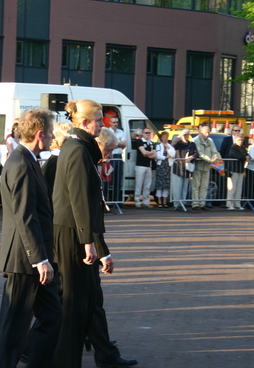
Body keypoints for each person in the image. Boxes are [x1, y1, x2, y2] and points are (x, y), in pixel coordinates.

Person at [0, 108, 61, 368]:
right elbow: (25, 216)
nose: (54, 136)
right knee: (14, 325)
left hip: (35, 256)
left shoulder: (27, 159)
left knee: (53, 316)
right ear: (39, 133)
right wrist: (40, 259)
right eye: (51, 132)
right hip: (25, 259)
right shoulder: (21, 163)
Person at [52, 99, 106, 367]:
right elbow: (79, 199)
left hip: (73, 230)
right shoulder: (76, 148)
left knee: (82, 299)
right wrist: (88, 241)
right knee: (73, 301)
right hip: (71, 233)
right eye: (98, 119)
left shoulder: (77, 146)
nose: (102, 124)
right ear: (84, 122)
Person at [88, 127, 138, 368]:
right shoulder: (82, 164)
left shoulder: (90, 162)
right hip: (80, 247)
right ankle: (29, 348)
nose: (108, 156)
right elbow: (86, 215)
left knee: (91, 302)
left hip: (85, 245)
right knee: (70, 301)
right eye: (107, 150)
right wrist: (101, 250)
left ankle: (104, 350)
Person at [191, 125, 221, 211]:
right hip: (198, 166)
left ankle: (202, 203)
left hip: (207, 167)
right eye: (206, 132)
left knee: (204, 186)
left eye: (209, 132)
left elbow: (215, 151)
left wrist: (215, 158)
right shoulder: (196, 140)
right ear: (201, 133)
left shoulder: (210, 141)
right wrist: (210, 160)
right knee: (196, 186)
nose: (208, 134)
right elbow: (200, 154)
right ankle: (195, 204)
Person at [170, 129, 197, 211]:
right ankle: (177, 204)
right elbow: (172, 145)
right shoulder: (178, 144)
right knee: (177, 187)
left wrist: (191, 157)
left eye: (187, 134)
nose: (186, 136)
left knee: (185, 187)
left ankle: (182, 203)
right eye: (185, 134)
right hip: (178, 167)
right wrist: (179, 136)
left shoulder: (191, 144)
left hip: (187, 168)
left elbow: (196, 153)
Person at [134, 128, 156, 208]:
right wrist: (150, 153)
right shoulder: (139, 141)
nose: (147, 134)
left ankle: (146, 202)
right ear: (142, 133)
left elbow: (155, 155)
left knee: (147, 185)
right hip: (140, 166)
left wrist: (148, 153)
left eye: (149, 133)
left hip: (148, 166)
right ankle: (137, 201)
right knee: (139, 185)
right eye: (146, 133)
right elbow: (143, 153)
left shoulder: (151, 143)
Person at [226, 134, 248, 210]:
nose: (240, 141)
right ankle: (230, 204)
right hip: (233, 169)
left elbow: (247, 155)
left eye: (241, 140)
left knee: (239, 188)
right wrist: (245, 157)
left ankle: (237, 203)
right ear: (235, 140)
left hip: (240, 169)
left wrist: (247, 157)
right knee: (232, 188)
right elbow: (236, 155)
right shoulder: (233, 147)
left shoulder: (244, 147)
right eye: (238, 140)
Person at [107, 116, 126, 202]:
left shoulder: (121, 132)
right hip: (110, 158)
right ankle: (106, 201)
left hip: (118, 157)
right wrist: (119, 143)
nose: (115, 124)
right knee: (107, 180)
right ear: (110, 123)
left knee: (118, 180)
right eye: (113, 122)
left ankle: (117, 201)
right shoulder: (107, 132)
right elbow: (107, 145)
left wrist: (115, 143)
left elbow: (124, 144)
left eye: (116, 122)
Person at [154, 131, 175, 208]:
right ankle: (159, 201)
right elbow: (158, 156)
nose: (165, 139)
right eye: (163, 137)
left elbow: (173, 153)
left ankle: (164, 201)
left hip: (167, 166)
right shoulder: (159, 146)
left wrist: (168, 150)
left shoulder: (169, 146)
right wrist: (165, 157)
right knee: (160, 185)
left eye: (166, 137)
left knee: (166, 185)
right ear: (161, 138)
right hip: (161, 166)